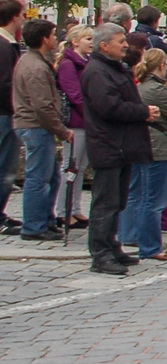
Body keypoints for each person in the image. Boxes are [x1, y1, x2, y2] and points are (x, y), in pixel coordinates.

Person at [82, 23, 159, 275]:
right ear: (104, 45)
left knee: (117, 201)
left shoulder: (115, 69)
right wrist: (143, 112)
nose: (125, 45)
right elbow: (109, 107)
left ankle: (112, 246)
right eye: (120, 41)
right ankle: (100, 254)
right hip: (108, 143)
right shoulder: (97, 71)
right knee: (105, 203)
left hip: (122, 144)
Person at [121, 51, 167, 262]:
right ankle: (150, 246)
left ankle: (129, 235)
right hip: (158, 148)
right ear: (160, 66)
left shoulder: (139, 86)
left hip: (141, 144)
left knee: (136, 194)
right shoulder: (156, 90)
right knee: (154, 200)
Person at [12, 20, 74, 240]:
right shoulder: (35, 66)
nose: (56, 39)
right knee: (38, 178)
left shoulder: (33, 61)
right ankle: (34, 226)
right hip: (35, 126)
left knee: (51, 176)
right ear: (44, 39)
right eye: (53, 35)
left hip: (35, 125)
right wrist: (62, 130)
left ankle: (45, 220)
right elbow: (42, 106)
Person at [56, 25, 93, 230]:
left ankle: (75, 207)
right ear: (75, 41)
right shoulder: (68, 64)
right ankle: (63, 210)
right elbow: (75, 95)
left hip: (86, 122)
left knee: (80, 168)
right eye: (87, 38)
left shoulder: (86, 62)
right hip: (75, 122)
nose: (91, 42)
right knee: (70, 167)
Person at [0, 0, 22, 233]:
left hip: (5, 112)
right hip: (5, 113)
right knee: (5, 167)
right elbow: (6, 84)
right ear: (14, 17)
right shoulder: (5, 46)